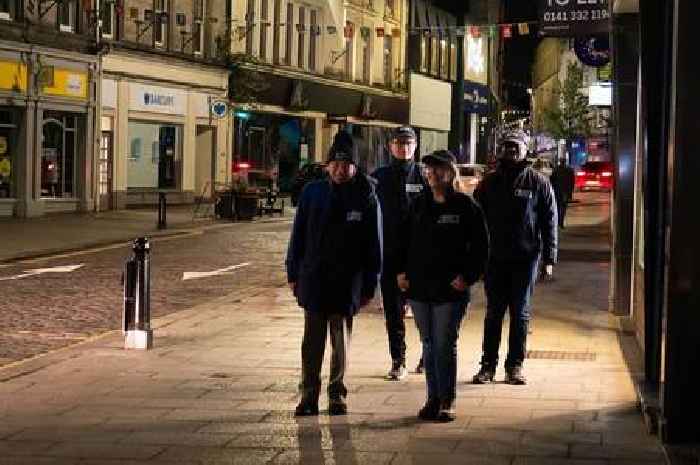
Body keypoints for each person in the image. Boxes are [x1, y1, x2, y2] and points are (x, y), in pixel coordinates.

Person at [286, 131, 382, 416]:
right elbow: (298, 236)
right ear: (328, 165)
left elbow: (373, 246)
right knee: (312, 343)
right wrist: (293, 272)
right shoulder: (312, 192)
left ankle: (337, 394)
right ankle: (308, 396)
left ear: (355, 166)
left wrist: (369, 285)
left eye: (347, 164)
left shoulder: (366, 196)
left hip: (346, 281)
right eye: (336, 164)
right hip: (314, 278)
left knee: (340, 343)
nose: (341, 169)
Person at [397, 150, 489, 422]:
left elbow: (481, 247)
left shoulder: (465, 206)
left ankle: (447, 400)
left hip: (450, 291)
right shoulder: (417, 205)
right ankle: (432, 398)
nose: (432, 174)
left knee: (443, 344)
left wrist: (468, 276)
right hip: (420, 289)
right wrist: (400, 272)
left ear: (450, 173)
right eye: (428, 170)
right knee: (428, 343)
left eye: (437, 169)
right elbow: (401, 241)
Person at [472, 134, 558, 385]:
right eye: (506, 147)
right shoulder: (489, 183)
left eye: (515, 147)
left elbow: (549, 221)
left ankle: (515, 366)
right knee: (493, 313)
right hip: (494, 260)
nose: (510, 151)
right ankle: (487, 366)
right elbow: (476, 223)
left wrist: (549, 258)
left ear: (525, 150)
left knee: (520, 314)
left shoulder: (538, 183)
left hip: (525, 259)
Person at [371, 126, 427, 381]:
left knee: (424, 312)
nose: (403, 148)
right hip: (390, 256)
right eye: (398, 143)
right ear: (390, 146)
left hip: (418, 256)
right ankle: (398, 360)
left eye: (408, 143)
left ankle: (428, 356)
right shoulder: (379, 177)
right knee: (393, 314)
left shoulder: (425, 176)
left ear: (415, 146)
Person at [550, 159, 576, 228]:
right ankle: (561, 222)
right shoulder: (570, 170)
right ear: (565, 162)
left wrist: (552, 190)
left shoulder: (556, 169)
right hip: (565, 192)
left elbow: (551, 180)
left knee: (557, 207)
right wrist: (570, 192)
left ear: (560, 162)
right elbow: (572, 182)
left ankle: (558, 221)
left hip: (557, 191)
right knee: (563, 207)